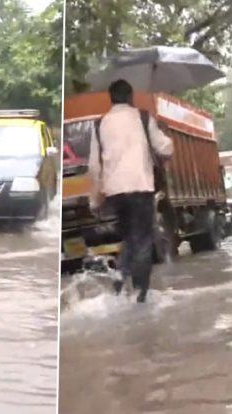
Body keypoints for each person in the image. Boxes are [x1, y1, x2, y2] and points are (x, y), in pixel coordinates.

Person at [88, 79, 173, 303]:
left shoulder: (100, 124)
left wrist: (95, 200)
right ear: (130, 97)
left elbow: (94, 167)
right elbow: (164, 147)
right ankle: (140, 294)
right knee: (143, 240)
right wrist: (166, 134)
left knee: (129, 238)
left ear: (111, 98)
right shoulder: (143, 117)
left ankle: (119, 281)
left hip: (115, 192)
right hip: (140, 186)